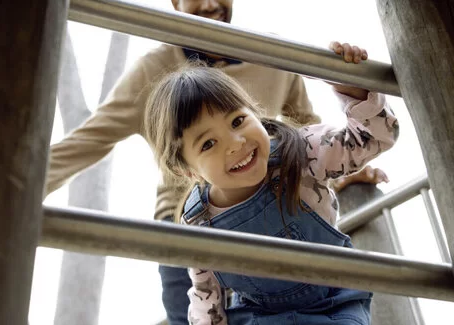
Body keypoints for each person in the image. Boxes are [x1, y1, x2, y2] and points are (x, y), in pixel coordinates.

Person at [45, 0, 387, 323]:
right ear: (175, 4)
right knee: (199, 309)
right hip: (194, 223)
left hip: (278, 201)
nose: (210, 3)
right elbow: (89, 139)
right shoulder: (154, 71)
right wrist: (19, 190)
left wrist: (342, 171)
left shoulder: (272, 55)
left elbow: (307, 130)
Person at [143, 55, 398, 324]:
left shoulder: (302, 154)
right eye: (208, 144)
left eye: (237, 121)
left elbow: (376, 138)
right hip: (261, 317)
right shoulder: (199, 222)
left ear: (255, 112)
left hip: (333, 304)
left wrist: (351, 86)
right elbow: (207, 297)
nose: (235, 143)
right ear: (188, 170)